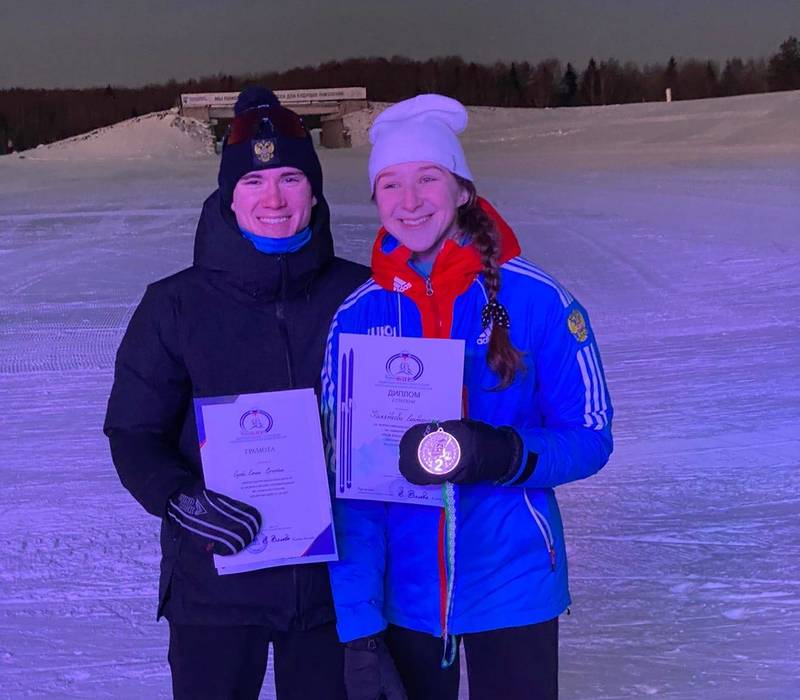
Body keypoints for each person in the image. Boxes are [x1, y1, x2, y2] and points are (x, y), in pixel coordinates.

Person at [321, 95, 613, 700]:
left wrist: (502, 454)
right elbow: (347, 487)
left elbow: (589, 435)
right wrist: (360, 629)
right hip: (406, 606)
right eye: (391, 184)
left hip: (514, 591)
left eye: (429, 178)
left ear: (461, 190)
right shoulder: (358, 315)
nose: (410, 201)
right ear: (375, 198)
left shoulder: (536, 300)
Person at [104, 87, 369, 700]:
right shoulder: (174, 304)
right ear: (228, 194)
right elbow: (133, 432)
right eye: (252, 183)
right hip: (214, 586)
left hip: (336, 589)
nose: (272, 198)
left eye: (290, 179)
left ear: (314, 189)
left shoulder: (364, 296)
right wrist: (179, 499)